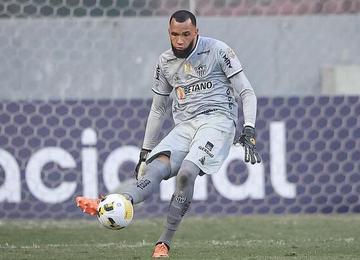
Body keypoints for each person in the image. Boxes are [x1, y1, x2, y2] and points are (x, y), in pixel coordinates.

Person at [76, 9, 261, 258]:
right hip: (184, 126)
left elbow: (246, 92)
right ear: (169, 33)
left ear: (197, 32)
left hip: (217, 121)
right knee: (153, 169)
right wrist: (146, 150)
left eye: (186, 34)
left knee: (186, 173)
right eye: (175, 34)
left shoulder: (219, 51)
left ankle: (164, 242)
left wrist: (248, 126)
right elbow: (158, 108)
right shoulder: (165, 62)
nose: (181, 40)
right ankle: (115, 202)